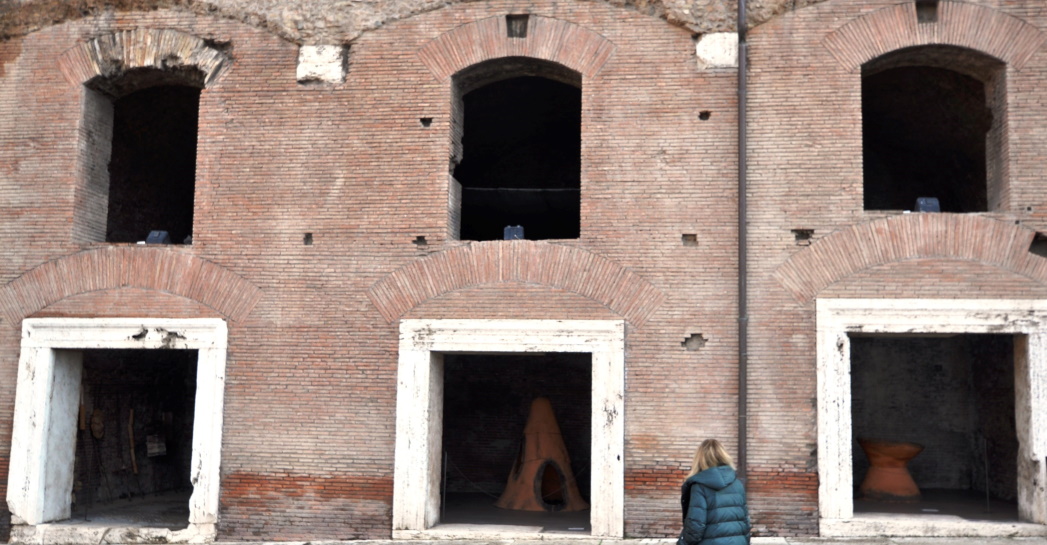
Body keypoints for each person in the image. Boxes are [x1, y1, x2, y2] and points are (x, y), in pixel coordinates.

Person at [677, 439, 751, 545]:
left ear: (700, 459)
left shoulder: (700, 486)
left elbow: (695, 527)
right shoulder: (737, 483)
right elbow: (745, 522)